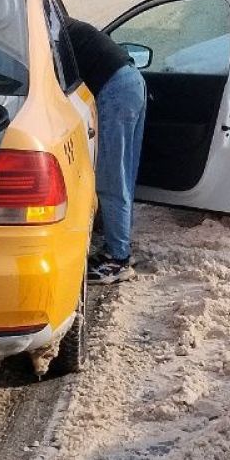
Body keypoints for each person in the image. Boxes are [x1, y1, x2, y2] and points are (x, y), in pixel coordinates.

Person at [65, 17, 147, 284]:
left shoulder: (50, 35)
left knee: (112, 178)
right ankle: (120, 245)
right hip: (131, 81)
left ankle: (117, 258)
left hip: (114, 90)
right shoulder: (64, 25)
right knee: (124, 173)